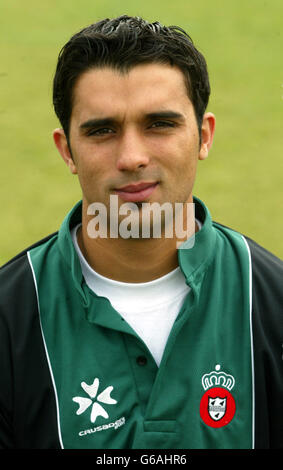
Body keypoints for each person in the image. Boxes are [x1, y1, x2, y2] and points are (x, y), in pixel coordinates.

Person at [0, 15, 282, 450]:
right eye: (102, 130)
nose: (131, 156)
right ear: (67, 150)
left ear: (204, 136)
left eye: (160, 124)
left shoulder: (271, 301)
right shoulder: (9, 316)